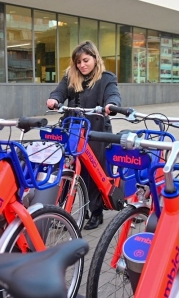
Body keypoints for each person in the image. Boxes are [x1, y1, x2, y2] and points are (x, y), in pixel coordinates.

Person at [46, 40, 122, 230]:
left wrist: (111, 105)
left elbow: (113, 94)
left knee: (93, 171)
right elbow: (59, 92)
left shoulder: (106, 78)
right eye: (79, 62)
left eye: (86, 60)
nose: (82, 65)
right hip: (73, 127)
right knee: (68, 166)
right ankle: (64, 210)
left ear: (95, 58)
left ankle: (96, 212)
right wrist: (54, 99)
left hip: (96, 130)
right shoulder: (71, 76)